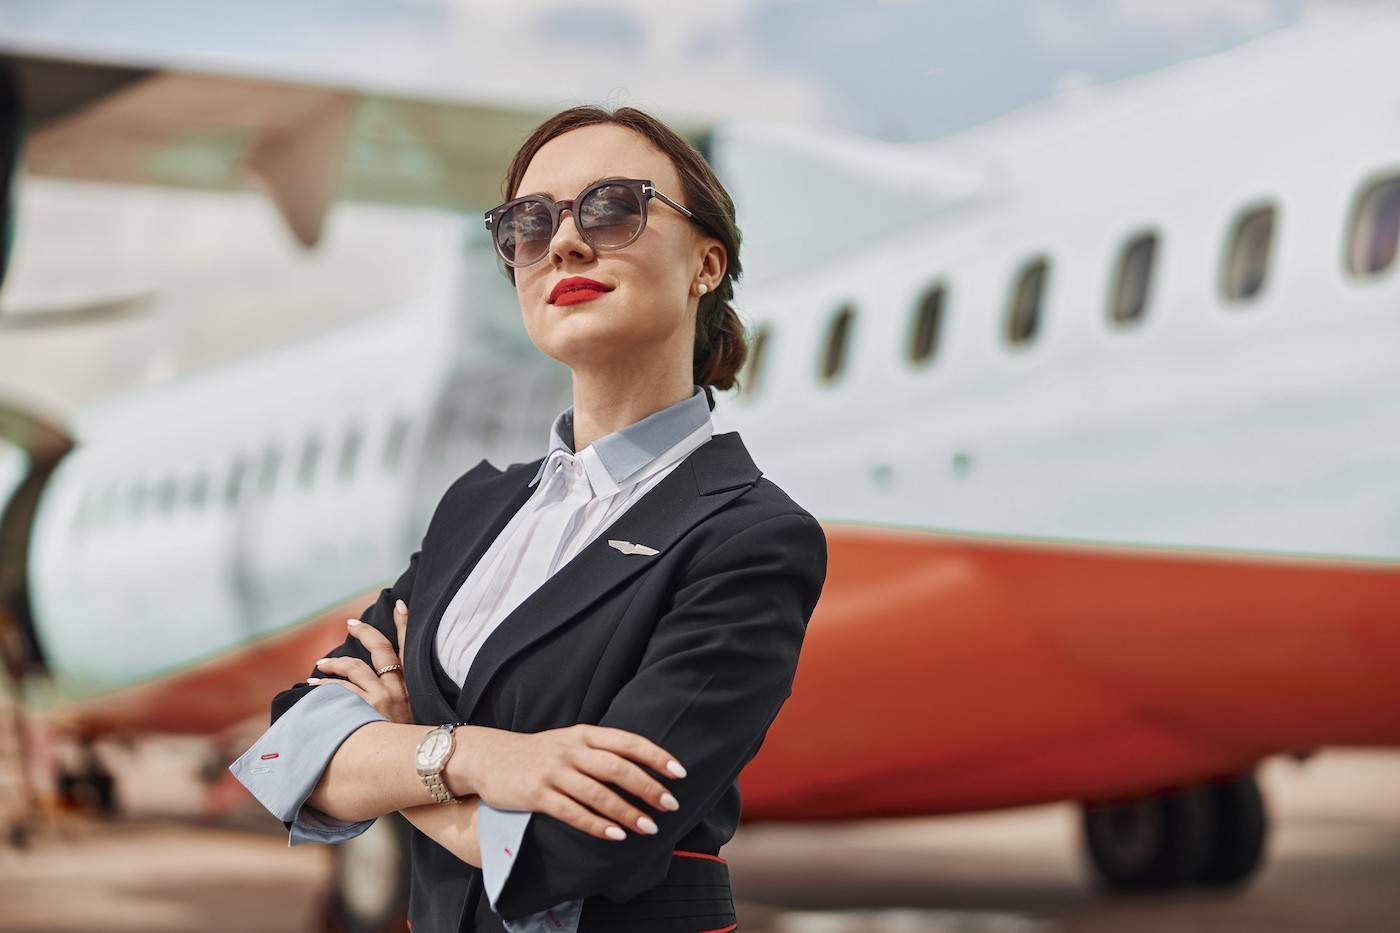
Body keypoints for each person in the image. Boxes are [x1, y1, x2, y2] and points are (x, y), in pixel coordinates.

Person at [230, 105, 828, 933]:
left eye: (612, 207)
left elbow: (586, 840)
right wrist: (478, 755)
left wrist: (398, 760)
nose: (565, 243)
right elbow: (295, 742)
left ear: (706, 262)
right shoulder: (475, 508)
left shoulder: (751, 536)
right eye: (529, 222)